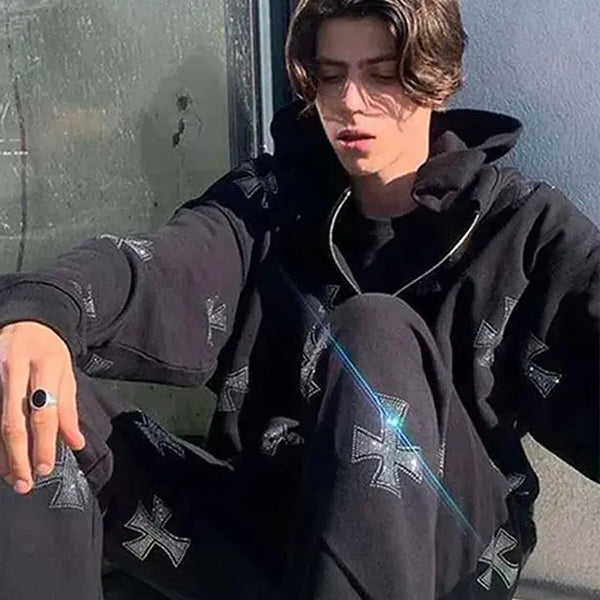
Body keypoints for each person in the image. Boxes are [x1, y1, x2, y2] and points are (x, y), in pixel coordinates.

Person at [0, 0, 598, 598]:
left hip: (445, 552)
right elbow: (163, 263)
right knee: (25, 391)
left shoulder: (518, 226)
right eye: (332, 76)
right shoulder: (270, 203)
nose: (351, 101)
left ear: (433, 79)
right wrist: (42, 315)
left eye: (381, 75)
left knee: (373, 331)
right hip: (272, 534)